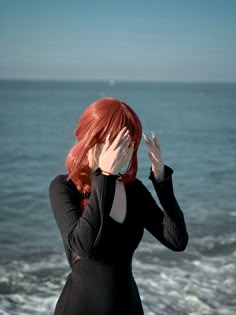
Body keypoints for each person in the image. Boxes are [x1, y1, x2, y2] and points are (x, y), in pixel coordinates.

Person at [49, 97, 189, 315]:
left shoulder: (133, 190)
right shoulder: (64, 187)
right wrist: (105, 176)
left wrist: (161, 180)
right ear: (93, 137)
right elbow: (81, 246)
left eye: (131, 141)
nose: (127, 149)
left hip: (128, 307)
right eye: (119, 140)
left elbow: (177, 240)